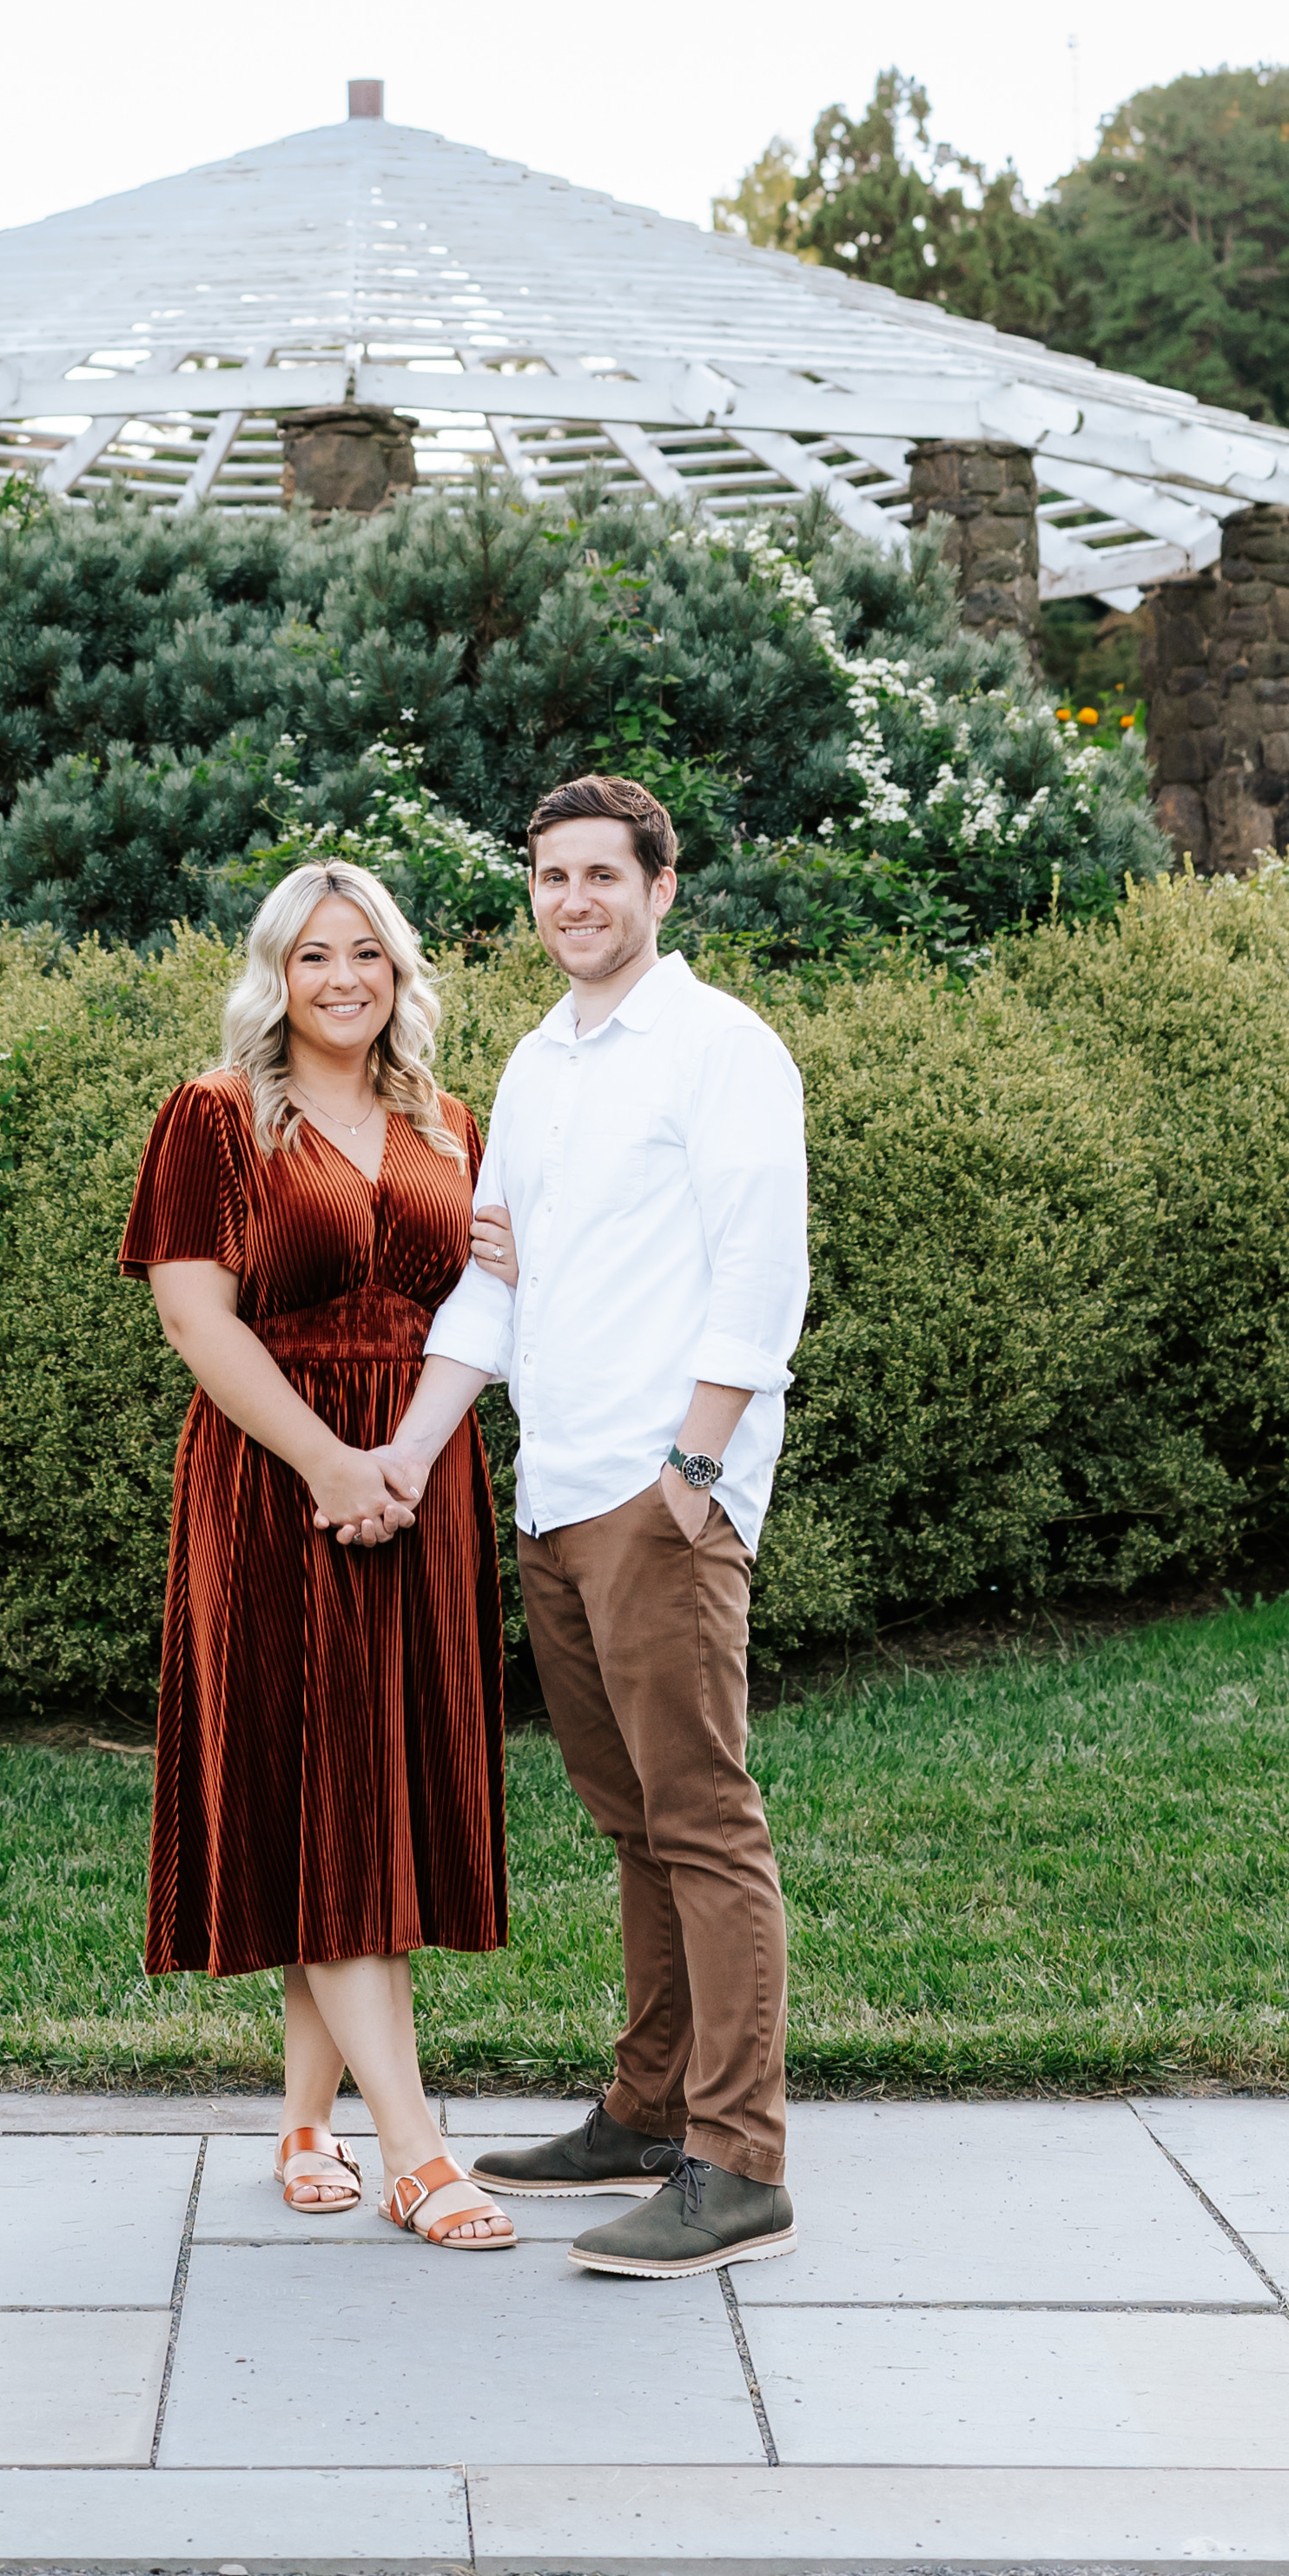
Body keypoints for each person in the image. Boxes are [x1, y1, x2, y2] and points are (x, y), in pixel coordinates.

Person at [379, 770, 809, 2278]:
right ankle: (644, 2111)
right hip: (556, 1490)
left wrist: (692, 1477)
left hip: (656, 1492)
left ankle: (737, 2161)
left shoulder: (721, 1050)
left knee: (702, 1818)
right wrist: (407, 1453)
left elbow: (763, 1275)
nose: (573, 902)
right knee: (632, 1820)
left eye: (601, 878)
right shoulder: (543, 1064)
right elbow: (496, 1283)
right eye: (551, 878)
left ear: (662, 889)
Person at [120, 859, 518, 2248]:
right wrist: (330, 1463)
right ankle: (415, 2148)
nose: (344, 980)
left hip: (421, 1477)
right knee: (324, 1785)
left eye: (369, 956)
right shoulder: (215, 1120)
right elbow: (195, 1320)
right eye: (313, 958)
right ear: (272, 976)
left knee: (371, 1799)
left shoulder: (450, 1125)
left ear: (401, 974)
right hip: (275, 1481)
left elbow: (491, 1299)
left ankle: (304, 2121)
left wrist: (399, 1458)